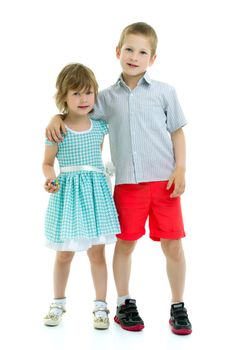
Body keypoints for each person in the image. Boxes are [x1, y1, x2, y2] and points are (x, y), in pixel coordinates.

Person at [46, 22, 192, 335]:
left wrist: (181, 169)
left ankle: (178, 305)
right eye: (129, 49)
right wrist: (56, 117)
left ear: (152, 59)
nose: (134, 56)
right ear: (118, 52)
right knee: (124, 245)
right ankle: (125, 302)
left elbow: (177, 132)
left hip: (165, 184)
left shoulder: (166, 92)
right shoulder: (105, 98)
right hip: (127, 185)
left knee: (174, 246)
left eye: (142, 52)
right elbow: (77, 111)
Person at [42, 63, 120, 329]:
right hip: (69, 198)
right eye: (76, 93)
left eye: (88, 92)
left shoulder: (100, 127)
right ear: (63, 96)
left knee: (97, 254)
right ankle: (58, 303)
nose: (83, 99)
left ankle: (101, 306)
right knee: (64, 254)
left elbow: (97, 159)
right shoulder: (57, 128)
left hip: (96, 197)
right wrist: (49, 177)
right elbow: (47, 162)